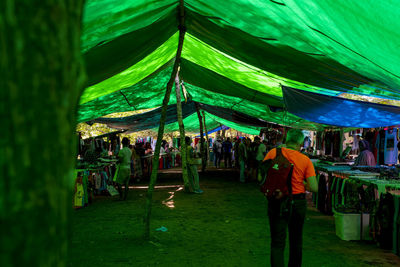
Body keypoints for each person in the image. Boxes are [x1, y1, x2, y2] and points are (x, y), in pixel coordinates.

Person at [263, 129, 318, 267]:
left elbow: (261, 177)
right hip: (297, 203)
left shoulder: (273, 153)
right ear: (300, 143)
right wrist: (302, 183)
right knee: (296, 241)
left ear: (287, 140)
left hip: (277, 200)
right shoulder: (305, 160)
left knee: (277, 242)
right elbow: (314, 187)